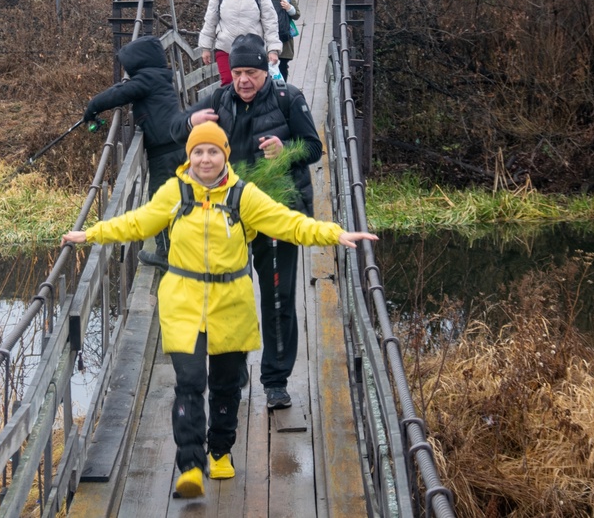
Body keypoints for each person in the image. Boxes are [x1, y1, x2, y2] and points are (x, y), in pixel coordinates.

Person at [60, 122, 377, 499]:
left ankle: (220, 451)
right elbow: (137, 222)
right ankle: (191, 466)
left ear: (224, 155)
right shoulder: (174, 193)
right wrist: (91, 234)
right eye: (198, 152)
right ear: (189, 157)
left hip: (232, 301)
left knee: (227, 384)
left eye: (213, 151)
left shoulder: (244, 196)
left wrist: (334, 234)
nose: (205, 159)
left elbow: (287, 223)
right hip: (183, 300)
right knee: (190, 382)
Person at [184, 34, 320, 411]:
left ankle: (275, 381)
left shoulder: (288, 98)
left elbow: (313, 147)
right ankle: (234, 367)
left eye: (253, 73)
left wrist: (286, 151)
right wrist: (190, 121)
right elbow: (179, 130)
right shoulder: (217, 99)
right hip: (229, 216)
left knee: (278, 298)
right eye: (239, 72)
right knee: (228, 296)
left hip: (277, 215)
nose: (244, 80)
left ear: (266, 71)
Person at [83, 34, 187, 268]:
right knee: (178, 197)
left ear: (138, 63)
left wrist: (92, 108)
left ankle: (165, 253)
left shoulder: (146, 80)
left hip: (164, 150)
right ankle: (179, 244)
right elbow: (126, 88)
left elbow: (117, 94)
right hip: (177, 144)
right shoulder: (159, 77)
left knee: (158, 198)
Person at [198, 0, 282, 86]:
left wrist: (273, 50)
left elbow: (270, 24)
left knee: (253, 85)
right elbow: (210, 22)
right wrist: (206, 48)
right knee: (228, 83)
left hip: (253, 50)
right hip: (226, 49)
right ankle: (229, 107)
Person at [263, 0, 299, 81]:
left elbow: (296, 15)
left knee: (283, 67)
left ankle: (282, 92)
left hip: (284, 39)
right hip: (267, 39)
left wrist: (289, 8)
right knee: (267, 69)